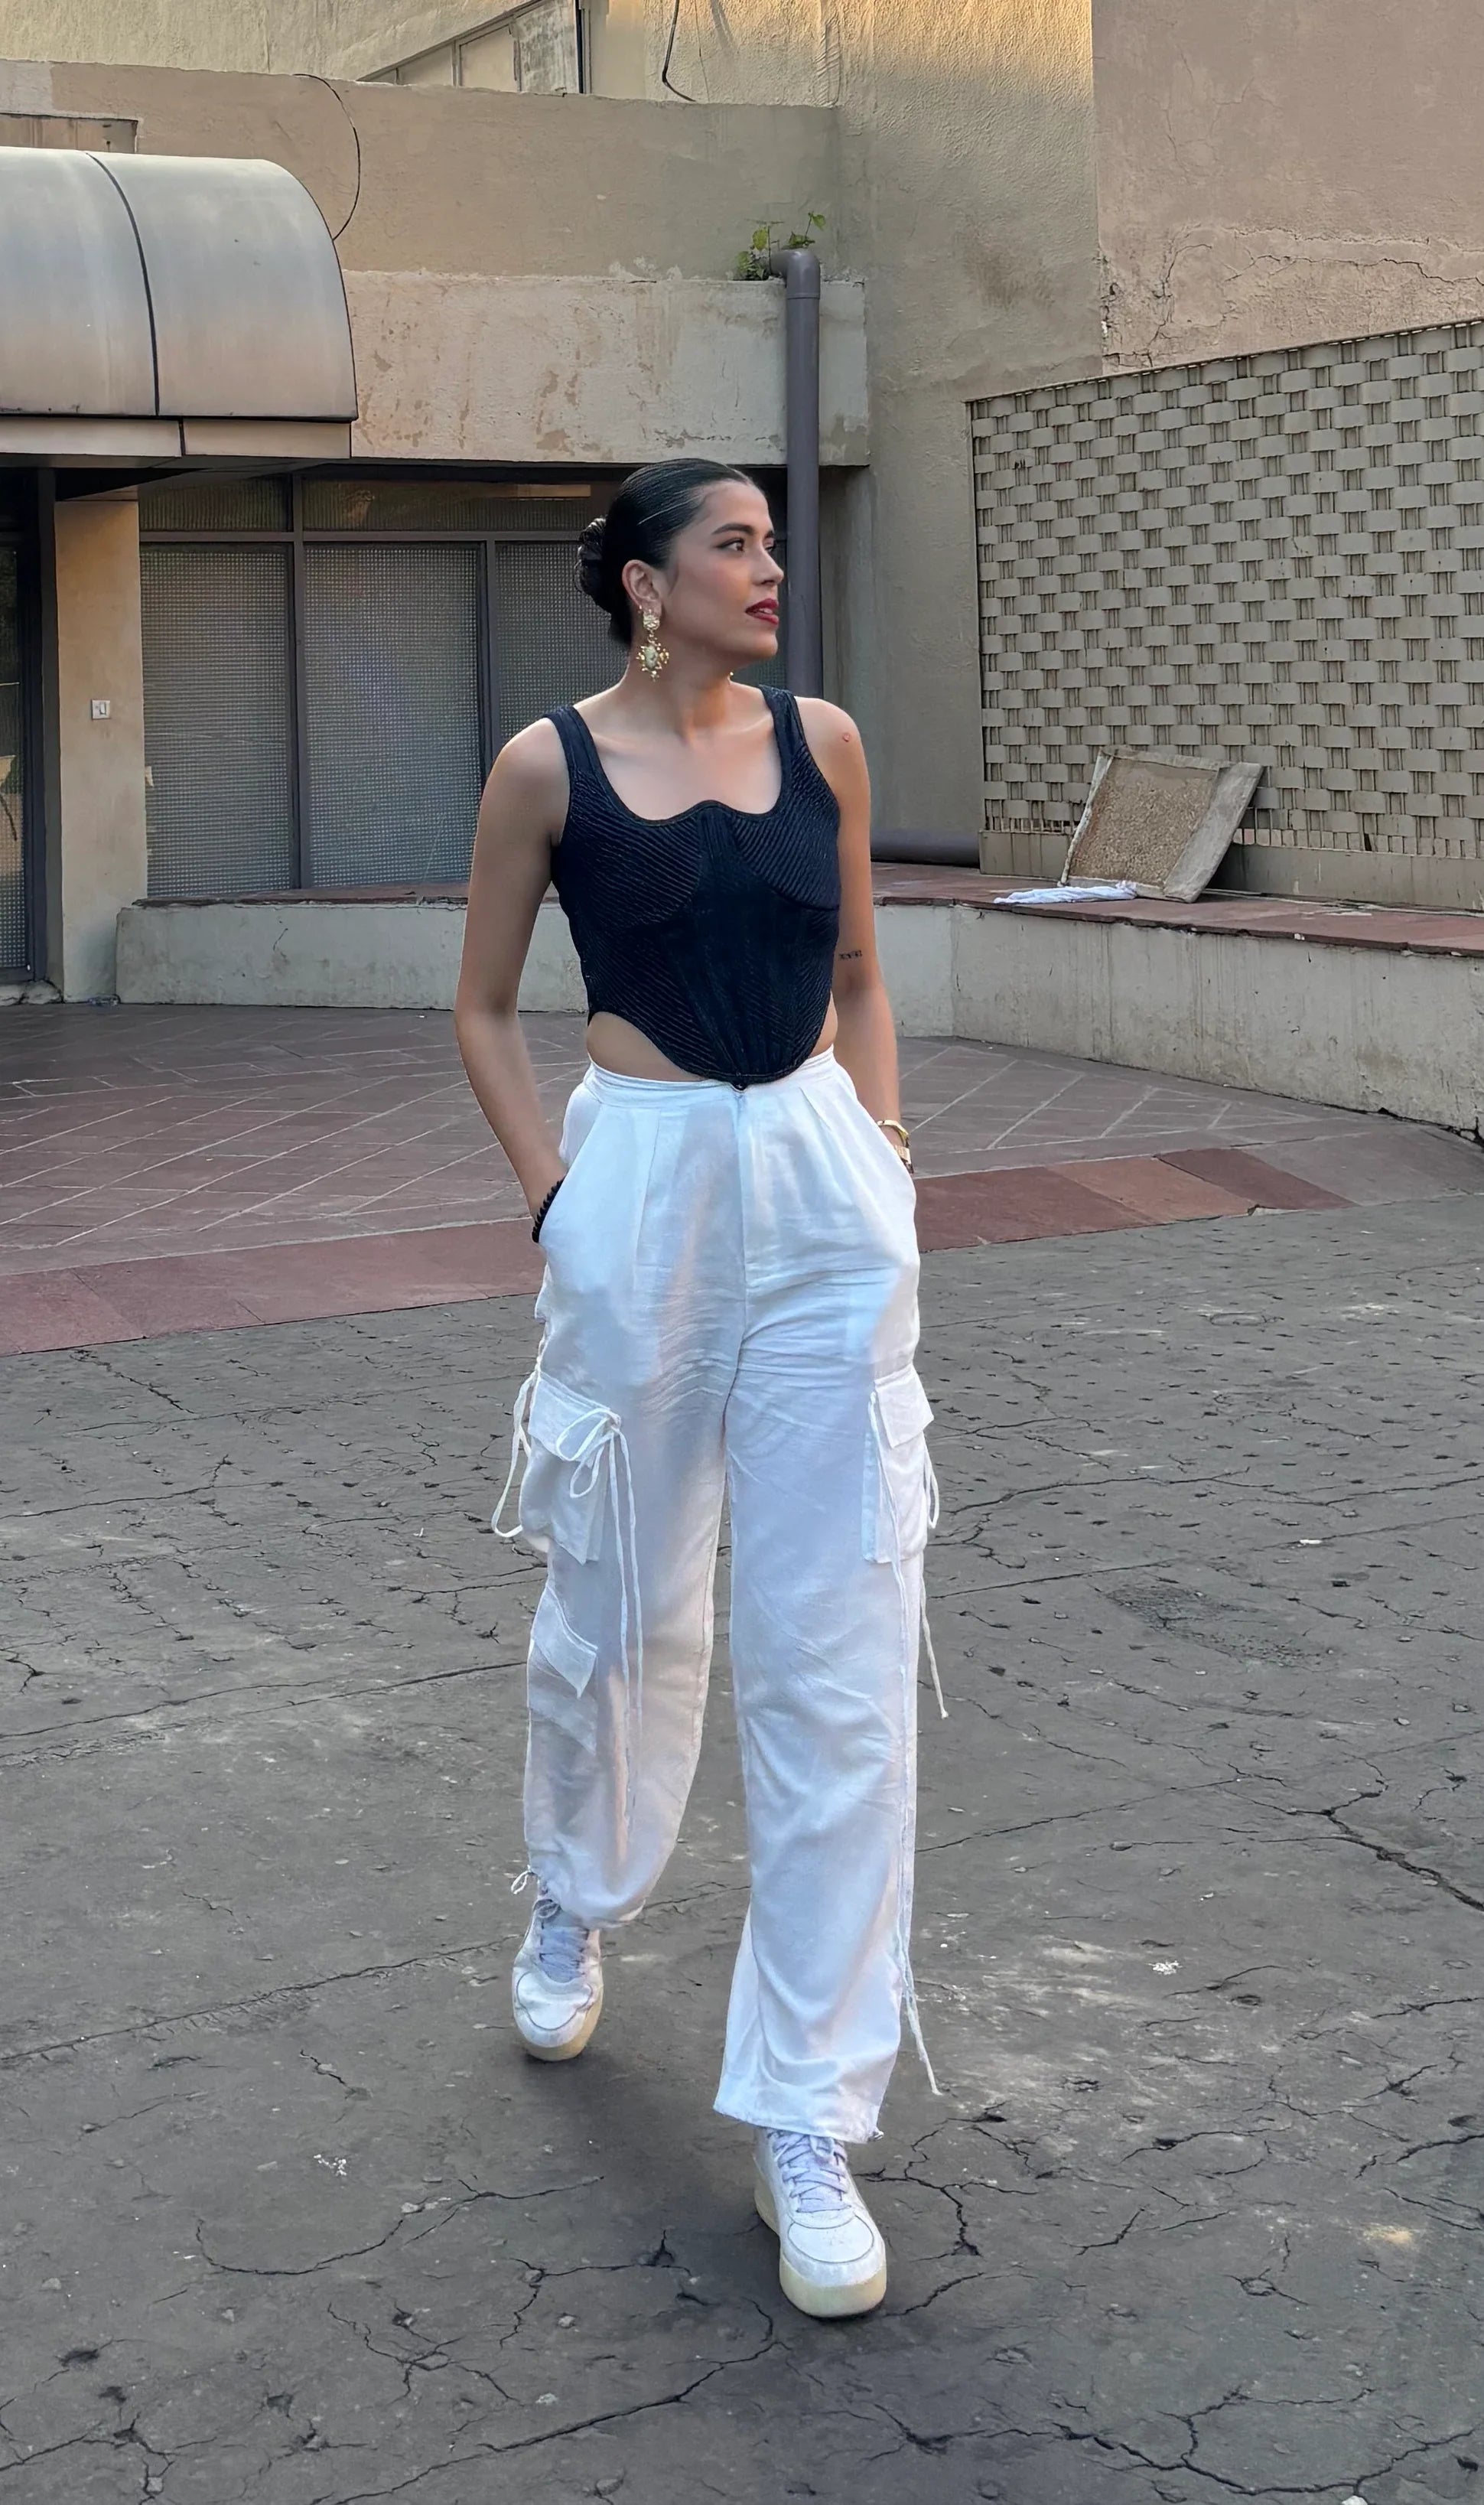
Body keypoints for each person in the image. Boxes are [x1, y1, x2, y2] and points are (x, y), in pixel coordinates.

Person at [454, 456, 941, 2321]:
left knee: (838, 1652)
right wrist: (555, 1192)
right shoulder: (546, 767)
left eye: (771, 541)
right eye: (730, 543)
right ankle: (574, 1890)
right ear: (645, 583)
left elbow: (862, 968)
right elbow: (482, 1005)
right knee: (620, 1601)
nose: (767, 566)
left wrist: (881, 1149)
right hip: (642, 1186)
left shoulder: (824, 742)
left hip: (818, 1193)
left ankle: (808, 2109)